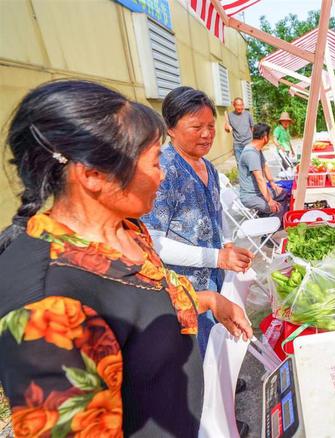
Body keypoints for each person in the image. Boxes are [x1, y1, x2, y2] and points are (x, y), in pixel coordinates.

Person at [0, 80, 252, 437]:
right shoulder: (48, 307)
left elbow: (143, 304)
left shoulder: (127, 230)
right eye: (153, 162)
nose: (161, 175)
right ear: (92, 175)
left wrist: (209, 300)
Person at [141, 87, 254, 362]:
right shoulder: (164, 171)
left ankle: (220, 378)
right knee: (195, 354)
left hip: (212, 281)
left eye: (211, 126)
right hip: (185, 290)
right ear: (171, 128)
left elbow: (217, 212)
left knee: (216, 338)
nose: (206, 134)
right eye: (196, 127)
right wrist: (218, 257)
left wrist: (226, 244)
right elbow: (153, 244)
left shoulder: (208, 167)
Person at [238, 123, 289, 222]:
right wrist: (269, 200)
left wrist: (272, 183)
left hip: (259, 192)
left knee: (283, 193)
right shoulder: (251, 153)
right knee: (279, 209)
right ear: (265, 137)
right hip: (251, 196)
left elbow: (265, 165)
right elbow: (259, 179)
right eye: (269, 136)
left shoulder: (257, 149)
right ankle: (267, 234)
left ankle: (265, 215)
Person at [224, 97, 253, 163]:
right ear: (234, 105)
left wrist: (253, 141)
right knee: (240, 164)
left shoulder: (248, 114)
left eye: (241, 105)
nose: (240, 107)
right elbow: (228, 130)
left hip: (248, 143)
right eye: (238, 105)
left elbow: (252, 128)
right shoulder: (230, 115)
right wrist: (226, 127)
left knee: (250, 163)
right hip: (237, 145)